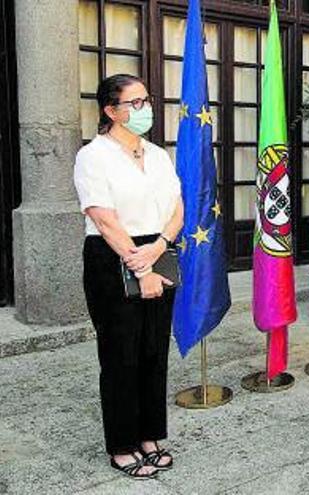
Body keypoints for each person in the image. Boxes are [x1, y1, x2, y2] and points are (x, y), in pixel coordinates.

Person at [74, 74, 183, 478]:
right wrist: (142, 266)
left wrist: (159, 248)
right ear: (110, 110)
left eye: (147, 100)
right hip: (114, 254)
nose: (145, 109)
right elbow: (103, 218)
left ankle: (150, 435)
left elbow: (177, 206)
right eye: (135, 103)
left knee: (155, 350)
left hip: (158, 248)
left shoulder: (157, 154)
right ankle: (122, 444)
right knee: (121, 355)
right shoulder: (93, 156)